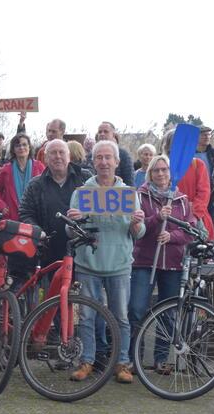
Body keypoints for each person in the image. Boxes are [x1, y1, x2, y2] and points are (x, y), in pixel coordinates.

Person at [67, 140, 145, 384]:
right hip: (88, 264)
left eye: (107, 158)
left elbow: (138, 233)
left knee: (120, 316)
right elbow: (70, 233)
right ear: (93, 161)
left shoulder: (129, 194)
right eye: (99, 157)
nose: (103, 162)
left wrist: (136, 223)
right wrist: (75, 222)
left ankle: (122, 363)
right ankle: (87, 361)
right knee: (87, 317)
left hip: (119, 263)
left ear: (117, 162)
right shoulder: (81, 193)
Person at [127, 154, 196, 374]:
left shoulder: (181, 200)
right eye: (156, 170)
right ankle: (132, 358)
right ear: (149, 173)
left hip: (173, 264)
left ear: (170, 172)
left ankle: (160, 359)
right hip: (144, 261)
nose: (160, 174)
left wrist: (172, 236)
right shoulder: (140, 196)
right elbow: (135, 229)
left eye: (164, 170)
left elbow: (190, 231)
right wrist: (157, 217)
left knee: (168, 313)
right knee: (137, 310)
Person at [19, 139, 90, 267]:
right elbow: (25, 213)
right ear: (45, 158)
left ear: (69, 156)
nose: (58, 156)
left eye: (61, 152)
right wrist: (37, 231)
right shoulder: (35, 184)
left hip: (82, 251)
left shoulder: (85, 178)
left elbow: (97, 208)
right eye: (53, 153)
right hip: (49, 252)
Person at [161, 130, 214, 240]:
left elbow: (204, 193)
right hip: (169, 218)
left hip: (195, 219)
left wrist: (193, 215)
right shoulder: (162, 167)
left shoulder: (197, 164)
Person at [0, 133, 45, 221]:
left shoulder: (39, 167)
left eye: (24, 144)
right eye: (17, 145)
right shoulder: (6, 169)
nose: (21, 148)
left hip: (35, 216)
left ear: (29, 147)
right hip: (12, 216)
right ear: (13, 149)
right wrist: (2, 205)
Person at [94, 121, 135, 186]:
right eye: (100, 132)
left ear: (113, 135)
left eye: (105, 131)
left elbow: (129, 180)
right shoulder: (92, 154)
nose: (102, 134)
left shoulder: (123, 155)